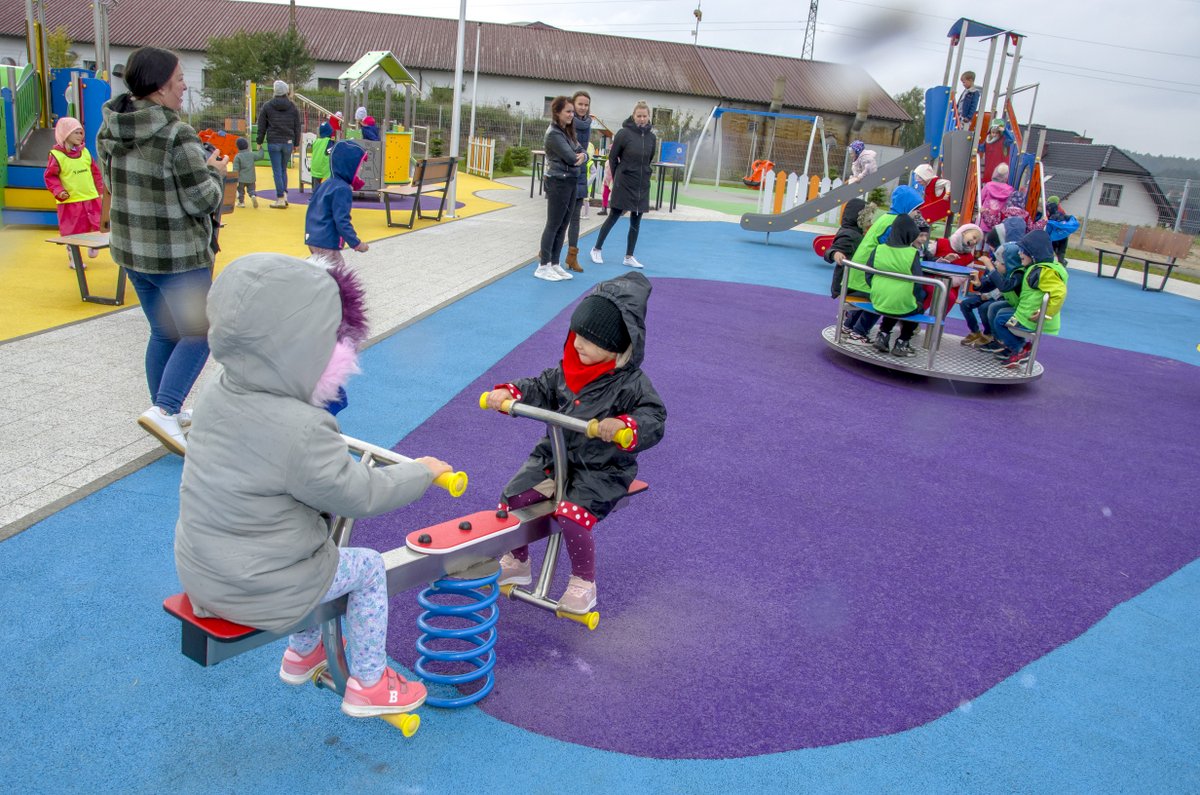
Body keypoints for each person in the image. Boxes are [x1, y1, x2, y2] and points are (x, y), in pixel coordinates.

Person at [175, 252, 453, 718]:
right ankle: (368, 682)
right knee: (363, 567)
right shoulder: (302, 428)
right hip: (257, 586)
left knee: (310, 550)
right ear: (305, 349)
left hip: (202, 572)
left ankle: (304, 652)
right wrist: (421, 471)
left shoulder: (218, 390)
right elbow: (361, 492)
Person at [485, 272, 666, 613]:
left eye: (591, 340)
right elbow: (540, 386)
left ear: (616, 346)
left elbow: (654, 418)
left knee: (572, 513)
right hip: (556, 455)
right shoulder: (567, 370)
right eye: (577, 334)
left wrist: (626, 425)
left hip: (603, 468)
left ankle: (584, 582)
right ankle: (519, 561)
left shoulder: (632, 384)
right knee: (514, 496)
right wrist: (511, 392)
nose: (579, 343)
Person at [97, 46, 226, 456]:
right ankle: (166, 409)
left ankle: (165, 410)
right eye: (178, 79)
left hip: (133, 252)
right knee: (201, 332)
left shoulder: (109, 129)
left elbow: (112, 185)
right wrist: (215, 172)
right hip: (178, 258)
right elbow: (202, 201)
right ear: (157, 88)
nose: (184, 86)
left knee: (163, 331)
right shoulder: (176, 134)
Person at [843, 185, 923, 343]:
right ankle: (859, 332)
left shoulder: (886, 217)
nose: (917, 213)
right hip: (870, 268)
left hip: (863, 266)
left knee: (873, 298)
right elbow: (891, 249)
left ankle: (849, 325)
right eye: (915, 209)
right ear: (906, 207)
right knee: (883, 298)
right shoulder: (895, 223)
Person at [988, 230, 1068, 369]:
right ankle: (1018, 347)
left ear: (1033, 253)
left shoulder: (1043, 271)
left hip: (1031, 318)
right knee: (1000, 313)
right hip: (1026, 313)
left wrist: (1046, 313)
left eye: (1022, 251)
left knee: (1000, 320)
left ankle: (1019, 348)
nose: (1019, 254)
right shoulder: (1038, 268)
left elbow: (1059, 293)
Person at [590, 101, 656, 269]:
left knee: (636, 220)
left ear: (649, 117)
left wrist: (646, 173)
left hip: (642, 184)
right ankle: (596, 249)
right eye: (639, 116)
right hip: (624, 182)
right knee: (614, 215)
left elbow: (649, 159)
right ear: (633, 116)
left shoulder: (651, 137)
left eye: (644, 116)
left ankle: (629, 256)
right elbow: (613, 157)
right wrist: (617, 176)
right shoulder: (623, 134)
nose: (642, 119)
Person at [534, 96, 586, 282]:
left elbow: (583, 152)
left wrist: (582, 157)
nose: (572, 115)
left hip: (570, 181)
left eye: (573, 111)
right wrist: (578, 158)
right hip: (558, 182)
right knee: (553, 224)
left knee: (564, 224)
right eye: (568, 111)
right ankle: (543, 265)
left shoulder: (568, 131)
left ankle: (555, 263)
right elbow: (572, 157)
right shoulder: (554, 133)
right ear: (557, 113)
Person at [43, 116, 105, 266]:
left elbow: (95, 173)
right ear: (65, 134)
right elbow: (51, 177)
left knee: (96, 224)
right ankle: (74, 259)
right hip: (71, 201)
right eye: (76, 133)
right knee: (72, 231)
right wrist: (59, 191)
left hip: (90, 197)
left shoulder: (85, 153)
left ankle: (93, 244)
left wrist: (101, 190)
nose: (80, 136)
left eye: (81, 132)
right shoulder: (57, 156)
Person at [866, 214, 924, 358]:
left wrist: (876, 288)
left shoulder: (879, 249)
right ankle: (903, 341)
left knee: (895, 303)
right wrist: (918, 298)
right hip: (901, 303)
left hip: (878, 299)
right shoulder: (911, 254)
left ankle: (883, 334)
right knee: (915, 306)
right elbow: (918, 280)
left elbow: (868, 274)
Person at [305, 141, 370, 268]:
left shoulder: (326, 184)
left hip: (314, 238)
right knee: (339, 278)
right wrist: (356, 243)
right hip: (326, 241)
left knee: (323, 274)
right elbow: (342, 220)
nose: (360, 170)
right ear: (349, 166)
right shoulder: (342, 189)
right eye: (359, 166)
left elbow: (312, 209)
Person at [256, 80, 302, 208]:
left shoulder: (267, 106)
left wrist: (259, 141)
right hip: (288, 142)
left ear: (275, 91)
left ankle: (280, 197)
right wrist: (296, 143)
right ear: (286, 91)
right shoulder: (293, 107)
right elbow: (297, 126)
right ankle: (285, 194)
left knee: (277, 171)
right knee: (283, 169)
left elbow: (262, 126)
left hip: (274, 141)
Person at [564, 90, 594, 274]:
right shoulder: (566, 121)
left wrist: (585, 155)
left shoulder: (588, 123)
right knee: (560, 218)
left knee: (575, 219)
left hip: (580, 173)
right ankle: (546, 253)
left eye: (586, 104)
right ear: (573, 105)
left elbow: (586, 148)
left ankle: (572, 257)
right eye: (580, 104)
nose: (583, 107)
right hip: (566, 173)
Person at [825, 198, 871, 298]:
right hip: (846, 284)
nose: (870, 223)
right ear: (860, 219)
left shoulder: (853, 231)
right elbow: (830, 251)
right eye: (868, 219)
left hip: (848, 281)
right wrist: (835, 253)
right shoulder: (849, 234)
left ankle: (855, 314)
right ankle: (855, 314)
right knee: (876, 294)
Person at [978, 163, 1014, 234]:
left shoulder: (988, 186)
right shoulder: (1010, 190)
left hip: (984, 218)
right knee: (992, 243)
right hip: (998, 222)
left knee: (979, 241)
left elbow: (980, 199)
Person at [1044, 196, 1079, 266]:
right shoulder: (1061, 212)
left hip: (1055, 235)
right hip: (1062, 234)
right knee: (1061, 250)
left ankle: (1058, 261)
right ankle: (1061, 260)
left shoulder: (1049, 212)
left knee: (1054, 248)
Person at [231, 137, 258, 209]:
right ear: (247, 145)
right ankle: (253, 196)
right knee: (251, 189)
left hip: (241, 179)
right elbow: (260, 156)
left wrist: (234, 178)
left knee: (240, 191)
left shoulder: (238, 156)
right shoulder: (251, 154)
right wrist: (260, 149)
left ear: (237, 147)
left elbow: (235, 169)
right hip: (251, 178)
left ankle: (241, 202)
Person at [309, 121, 334, 192]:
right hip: (324, 171)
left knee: (315, 189)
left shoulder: (316, 141)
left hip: (314, 169)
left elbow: (310, 150)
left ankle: (314, 199)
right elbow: (330, 152)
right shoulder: (329, 142)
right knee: (325, 189)